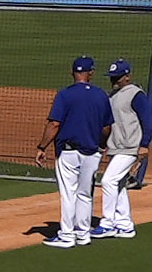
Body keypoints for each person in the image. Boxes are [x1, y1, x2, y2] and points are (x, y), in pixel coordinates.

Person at [36, 55, 117, 249]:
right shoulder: (101, 95)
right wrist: (102, 144)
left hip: (69, 152)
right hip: (92, 152)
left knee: (68, 193)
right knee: (84, 194)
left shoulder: (65, 95)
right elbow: (107, 127)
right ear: (91, 73)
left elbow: (55, 124)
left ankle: (66, 235)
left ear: (73, 73)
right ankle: (83, 233)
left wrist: (42, 147)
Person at [101, 59, 152, 243]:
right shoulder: (112, 96)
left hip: (131, 146)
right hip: (117, 146)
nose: (114, 80)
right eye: (112, 77)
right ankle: (124, 224)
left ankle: (107, 223)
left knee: (108, 180)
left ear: (127, 77)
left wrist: (145, 143)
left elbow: (147, 119)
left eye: (117, 77)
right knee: (119, 185)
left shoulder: (136, 94)